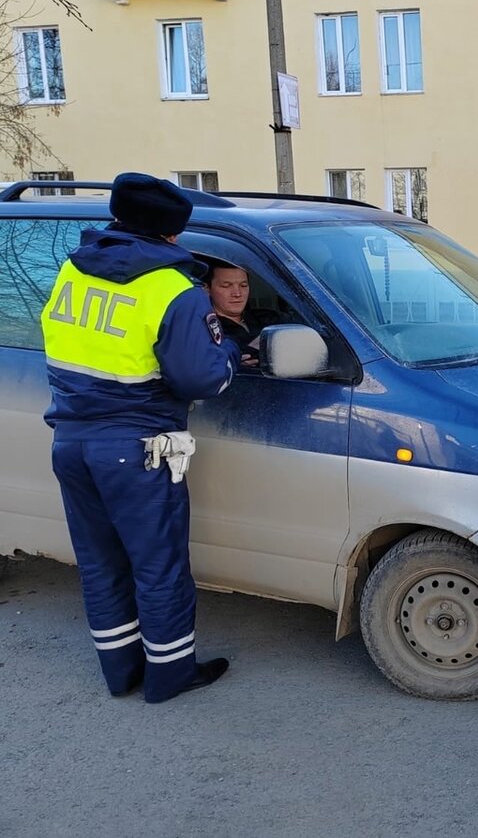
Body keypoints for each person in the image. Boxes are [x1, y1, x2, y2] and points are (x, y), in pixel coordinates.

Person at [40, 172, 240, 703]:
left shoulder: (74, 270)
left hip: (71, 441)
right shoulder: (173, 287)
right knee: (159, 565)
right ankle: (170, 675)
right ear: (172, 234)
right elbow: (202, 378)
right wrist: (229, 355)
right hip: (138, 446)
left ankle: (120, 672)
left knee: (102, 563)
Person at [202, 262, 285, 366]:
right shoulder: (204, 330)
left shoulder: (269, 317)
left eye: (243, 285)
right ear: (207, 289)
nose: (237, 293)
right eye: (226, 286)